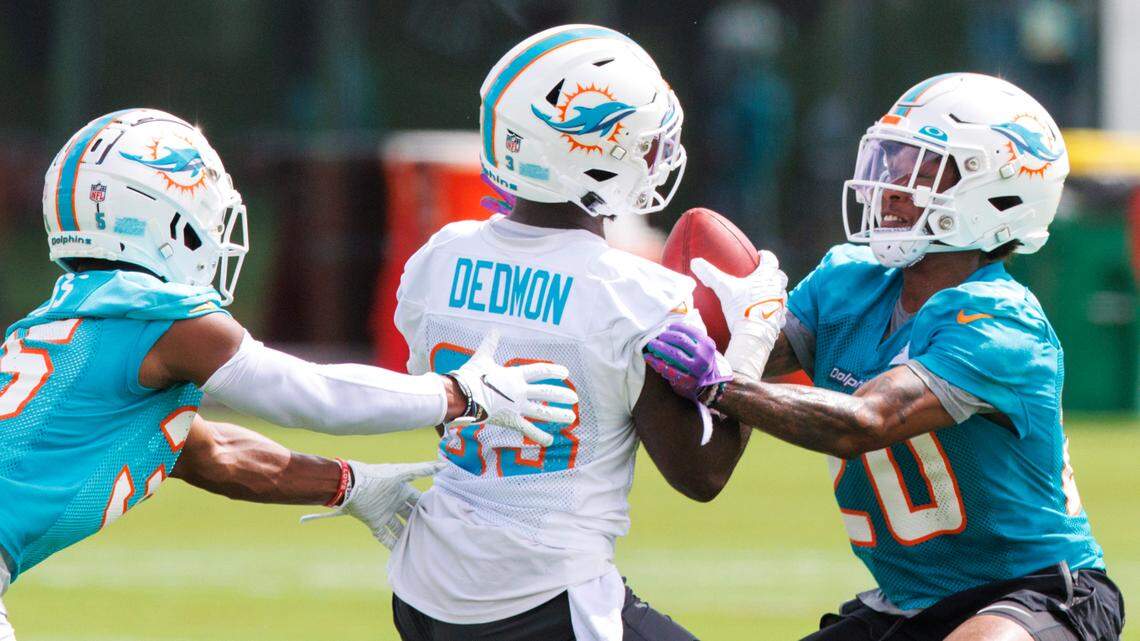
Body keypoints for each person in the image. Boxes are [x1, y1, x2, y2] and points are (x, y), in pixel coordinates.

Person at [0, 108, 578, 640]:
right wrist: (458, 394)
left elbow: (213, 453)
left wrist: (348, 484)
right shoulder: (163, 320)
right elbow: (314, 395)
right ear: (165, 214)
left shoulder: (62, 327)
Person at [645, 73, 1125, 641]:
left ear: (996, 193)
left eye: (922, 169)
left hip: (1035, 594)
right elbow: (737, 358)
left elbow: (866, 422)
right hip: (906, 605)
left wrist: (720, 386)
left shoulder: (1000, 320)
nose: (894, 185)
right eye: (893, 162)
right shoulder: (848, 279)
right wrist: (707, 319)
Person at [386, 24, 751, 641]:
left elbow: (442, 408)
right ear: (597, 155)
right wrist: (748, 350)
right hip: (542, 600)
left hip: (424, 588)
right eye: (644, 141)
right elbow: (702, 475)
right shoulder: (635, 296)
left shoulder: (436, 258)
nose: (657, 156)